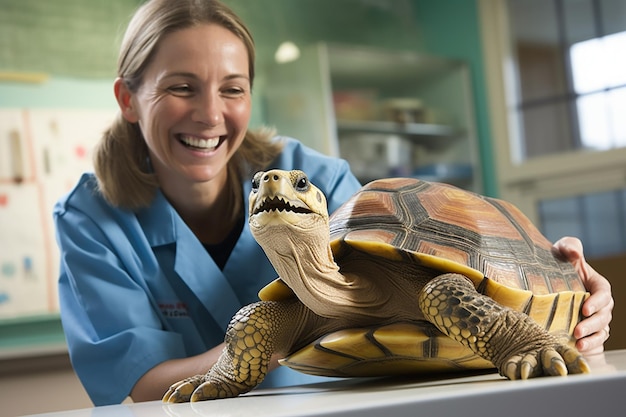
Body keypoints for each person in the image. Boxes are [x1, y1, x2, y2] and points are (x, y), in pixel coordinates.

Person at [54, 0, 614, 407]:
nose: (209, 113)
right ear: (128, 98)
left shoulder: (318, 176)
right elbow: (141, 380)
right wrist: (257, 346)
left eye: (232, 87)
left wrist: (569, 308)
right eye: (180, 87)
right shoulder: (91, 218)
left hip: (367, 398)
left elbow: (423, 277)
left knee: (445, 292)